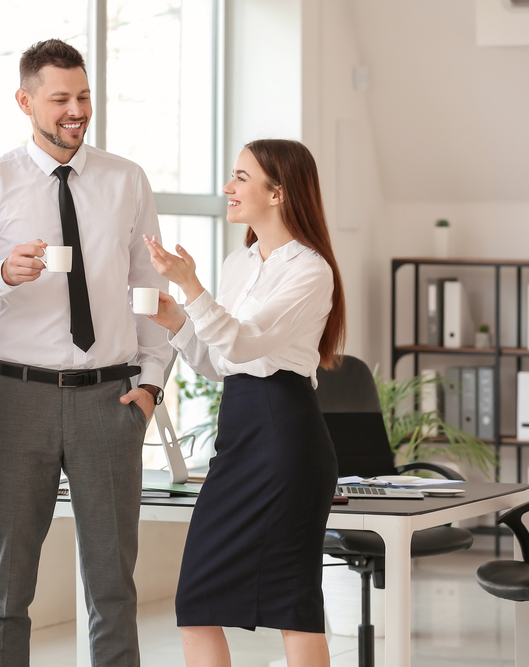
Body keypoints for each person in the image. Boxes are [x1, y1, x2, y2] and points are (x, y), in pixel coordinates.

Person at [0, 38, 172, 667]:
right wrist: (0, 276)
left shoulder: (126, 179)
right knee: (8, 585)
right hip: (18, 398)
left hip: (111, 397)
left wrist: (151, 382)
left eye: (84, 97)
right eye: (61, 99)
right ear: (25, 101)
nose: (77, 111)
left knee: (112, 585)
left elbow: (149, 290)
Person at [143, 139, 346, 667]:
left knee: (291, 601)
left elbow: (244, 342)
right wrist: (180, 324)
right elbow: (219, 363)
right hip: (238, 438)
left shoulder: (311, 270)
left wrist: (192, 288)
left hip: (286, 439)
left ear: (277, 193)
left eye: (240, 177)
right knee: (196, 600)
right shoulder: (239, 262)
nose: (227, 188)